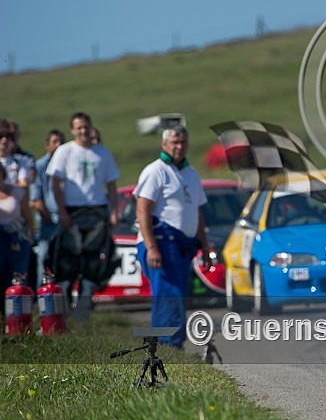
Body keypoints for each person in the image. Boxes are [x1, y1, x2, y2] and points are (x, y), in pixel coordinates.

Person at [135, 124, 211, 349]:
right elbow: (142, 210)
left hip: (181, 246)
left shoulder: (191, 173)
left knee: (178, 297)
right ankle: (166, 347)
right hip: (161, 243)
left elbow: (196, 211)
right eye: (174, 143)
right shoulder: (156, 171)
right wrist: (151, 247)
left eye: (183, 143)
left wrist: (205, 246)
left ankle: (173, 345)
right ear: (164, 144)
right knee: (168, 296)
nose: (179, 147)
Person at [47, 112, 119, 320]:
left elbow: (112, 185)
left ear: (91, 128)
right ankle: (64, 311)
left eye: (86, 127)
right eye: (78, 128)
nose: (83, 131)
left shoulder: (103, 153)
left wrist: (114, 211)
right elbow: (55, 183)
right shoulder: (65, 151)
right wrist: (61, 211)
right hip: (72, 211)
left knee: (92, 259)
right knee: (67, 260)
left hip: (97, 211)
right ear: (72, 130)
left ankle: (83, 309)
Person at [29, 129, 65, 287]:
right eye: (55, 142)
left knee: (66, 260)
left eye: (61, 142)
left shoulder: (68, 163)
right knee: (43, 258)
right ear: (47, 145)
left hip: (67, 219)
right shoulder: (40, 166)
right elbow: (36, 198)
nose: (59, 146)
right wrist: (48, 217)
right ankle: (41, 294)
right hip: (47, 221)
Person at [0, 164, 35, 307]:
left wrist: (30, 234)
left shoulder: (16, 192)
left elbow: (28, 216)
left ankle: (19, 318)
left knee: (18, 277)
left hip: (17, 240)